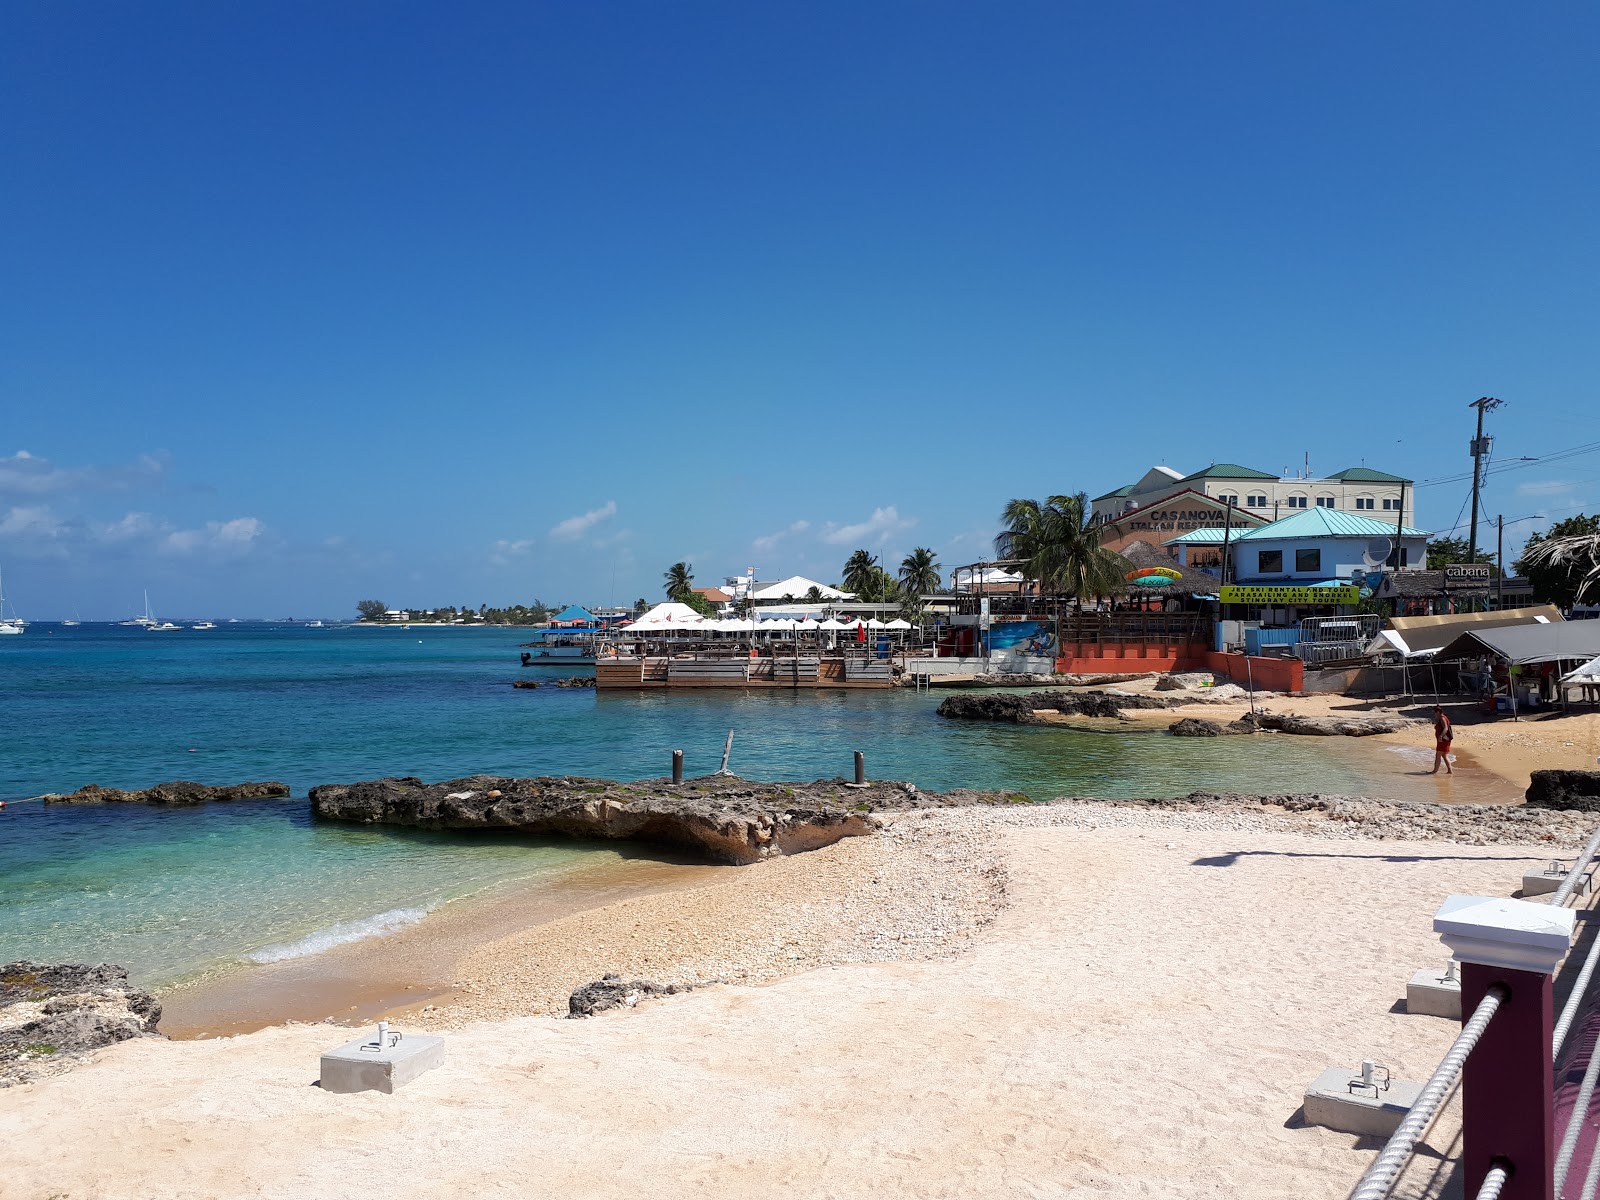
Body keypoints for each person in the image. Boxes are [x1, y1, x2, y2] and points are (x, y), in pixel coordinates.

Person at [1430, 705, 1454, 775]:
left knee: (1438, 755)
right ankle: (1450, 771)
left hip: (1443, 740)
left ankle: (1435, 771)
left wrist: (1440, 736)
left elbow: (1445, 728)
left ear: (1438, 712)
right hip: (1444, 740)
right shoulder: (1442, 718)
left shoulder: (1442, 719)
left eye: (1434, 712)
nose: (1434, 714)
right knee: (1444, 755)